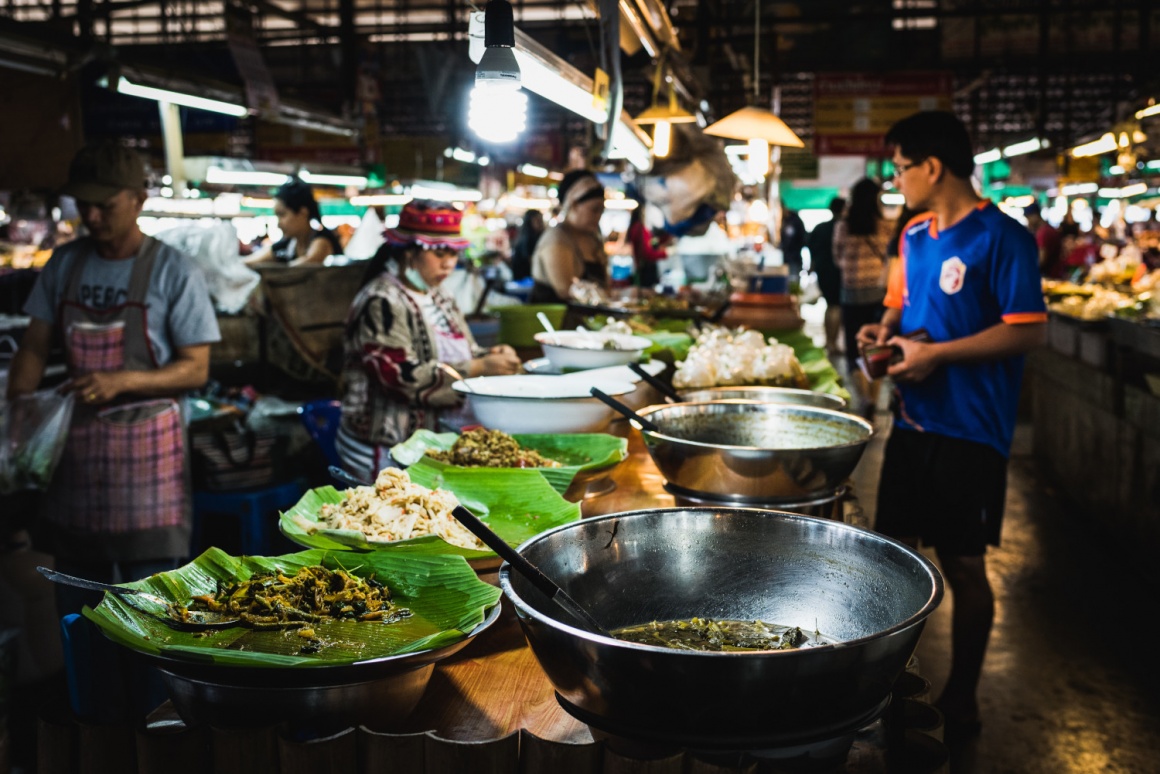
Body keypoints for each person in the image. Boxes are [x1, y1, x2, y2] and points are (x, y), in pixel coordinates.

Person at [856, 111, 1046, 739]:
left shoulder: (1004, 237)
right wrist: (880, 339)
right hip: (913, 423)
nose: (897, 181)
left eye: (900, 169)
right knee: (895, 562)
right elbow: (897, 309)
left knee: (964, 566)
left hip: (972, 431)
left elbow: (1028, 329)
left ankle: (962, 693)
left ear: (932, 167)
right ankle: (885, 685)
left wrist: (937, 355)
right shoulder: (912, 236)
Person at [6, 142, 220, 611]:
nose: (94, 216)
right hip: (75, 457)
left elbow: (195, 368)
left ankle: (153, 690)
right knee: (82, 607)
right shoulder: (65, 264)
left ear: (138, 200)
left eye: (106, 205)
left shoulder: (173, 270)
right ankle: (91, 685)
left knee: (157, 608)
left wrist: (122, 381)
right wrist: (18, 415)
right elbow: (34, 346)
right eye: (85, 205)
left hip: (150, 467)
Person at [336, 200, 521, 481]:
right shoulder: (382, 301)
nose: (449, 263)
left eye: (454, 253)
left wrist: (492, 354)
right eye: (438, 253)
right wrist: (480, 367)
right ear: (409, 253)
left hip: (429, 445)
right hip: (384, 448)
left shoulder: (439, 295)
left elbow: (466, 350)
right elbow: (398, 377)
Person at [834, 178, 892, 374]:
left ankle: (863, 396)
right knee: (876, 343)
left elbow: (837, 257)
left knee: (854, 344)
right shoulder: (884, 225)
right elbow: (888, 257)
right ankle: (874, 396)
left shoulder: (843, 226)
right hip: (877, 292)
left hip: (850, 292)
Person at [529, 170, 608, 303]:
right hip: (556, 321)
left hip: (591, 320)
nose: (598, 216)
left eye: (601, 211)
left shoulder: (593, 239)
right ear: (574, 204)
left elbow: (606, 286)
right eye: (594, 209)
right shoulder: (556, 238)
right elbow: (565, 290)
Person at [245, 178, 342, 266]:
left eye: (282, 214)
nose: (278, 223)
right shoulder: (289, 243)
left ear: (303, 213)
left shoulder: (322, 239)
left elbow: (310, 261)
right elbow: (252, 260)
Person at [805, 197, 846, 355]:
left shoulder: (820, 227)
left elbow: (810, 248)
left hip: (823, 270)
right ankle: (832, 343)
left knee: (830, 306)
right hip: (837, 272)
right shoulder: (843, 227)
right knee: (835, 306)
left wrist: (811, 267)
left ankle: (830, 341)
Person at [626, 200, 669, 289]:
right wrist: (665, 253)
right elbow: (646, 253)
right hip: (645, 271)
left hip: (642, 269)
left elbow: (650, 244)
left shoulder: (639, 228)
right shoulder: (639, 229)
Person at [1024, 204, 1062, 277]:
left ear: (1035, 216)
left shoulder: (1043, 233)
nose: (1028, 222)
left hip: (1050, 277)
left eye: (1028, 218)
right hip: (1057, 274)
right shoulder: (1050, 229)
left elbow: (1041, 260)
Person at [509, 209, 544, 281]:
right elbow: (531, 262)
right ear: (529, 222)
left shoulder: (525, 236)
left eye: (541, 220)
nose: (540, 223)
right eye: (537, 220)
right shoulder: (528, 238)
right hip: (524, 279)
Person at [779, 204, 806, 282]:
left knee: (792, 282)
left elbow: (794, 240)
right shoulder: (787, 220)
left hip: (793, 259)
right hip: (790, 258)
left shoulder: (794, 222)